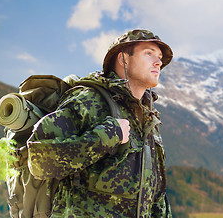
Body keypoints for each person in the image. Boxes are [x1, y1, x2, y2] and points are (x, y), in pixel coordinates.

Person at [26, 29, 173, 217]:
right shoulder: (88, 101)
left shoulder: (149, 119)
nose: (158, 62)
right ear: (123, 59)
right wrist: (105, 137)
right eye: (149, 53)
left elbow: (156, 194)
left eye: (160, 57)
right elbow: (39, 161)